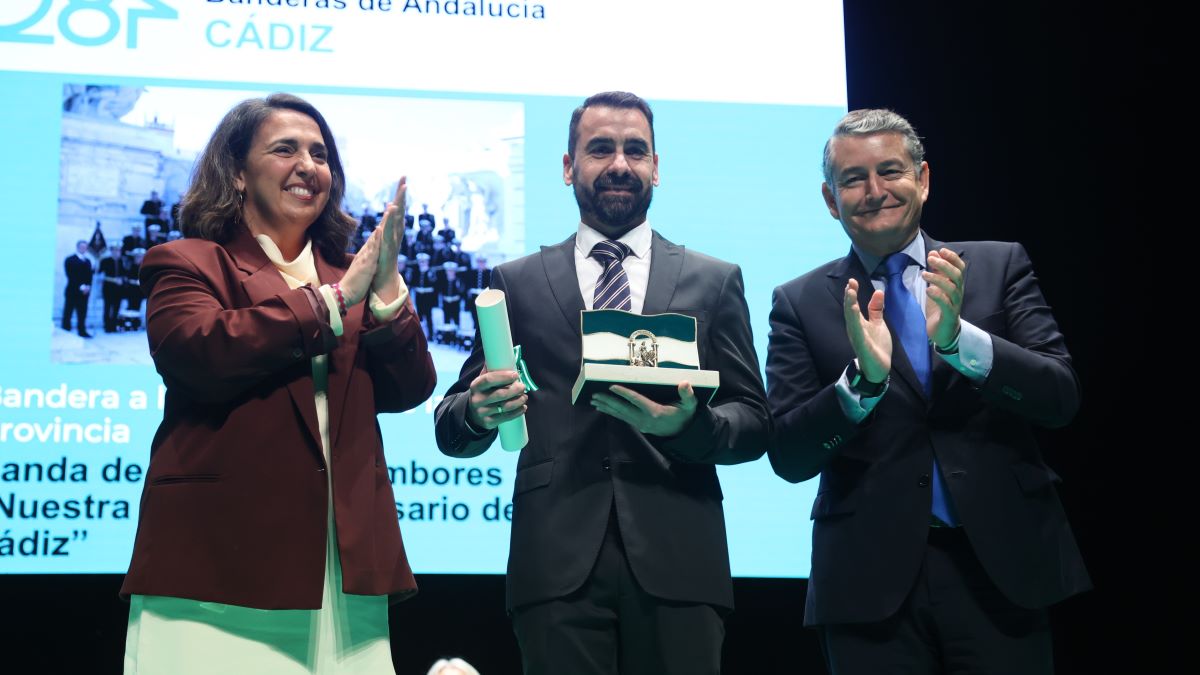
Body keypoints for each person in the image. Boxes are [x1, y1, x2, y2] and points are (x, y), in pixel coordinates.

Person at [434, 91, 770, 675]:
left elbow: (755, 421)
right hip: (555, 564)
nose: (619, 164)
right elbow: (451, 423)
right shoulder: (516, 283)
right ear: (569, 167)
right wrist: (475, 411)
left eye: (635, 150)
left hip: (680, 561)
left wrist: (693, 425)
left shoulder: (713, 281)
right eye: (600, 149)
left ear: (656, 167)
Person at [119, 93, 436, 674]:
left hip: (342, 576)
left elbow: (409, 387)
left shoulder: (356, 275)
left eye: (320, 154)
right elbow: (199, 354)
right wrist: (334, 301)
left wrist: (386, 290)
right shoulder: (187, 261)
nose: (308, 165)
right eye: (284, 149)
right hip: (215, 574)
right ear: (236, 173)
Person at [765, 109, 1090, 674]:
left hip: (1000, 568)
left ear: (924, 178)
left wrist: (959, 341)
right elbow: (789, 457)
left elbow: (1059, 398)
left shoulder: (995, 265)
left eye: (890, 171)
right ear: (828, 198)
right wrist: (859, 384)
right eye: (852, 179)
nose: (874, 191)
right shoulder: (800, 302)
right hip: (868, 585)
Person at [62, 239, 94, 338]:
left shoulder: (88, 261)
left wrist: (88, 287)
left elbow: (89, 276)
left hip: (84, 293)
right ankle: (66, 331)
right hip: (72, 291)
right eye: (81, 247)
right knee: (68, 312)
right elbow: (70, 275)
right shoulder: (70, 260)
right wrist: (81, 286)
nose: (83, 249)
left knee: (82, 313)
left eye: (85, 247)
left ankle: (82, 331)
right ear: (77, 247)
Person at [99, 244, 126, 333]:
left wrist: (122, 280)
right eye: (115, 250)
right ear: (111, 251)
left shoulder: (121, 261)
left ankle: (113, 326)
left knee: (116, 308)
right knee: (107, 308)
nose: (117, 252)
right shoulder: (105, 261)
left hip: (119, 290)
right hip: (108, 288)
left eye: (118, 251)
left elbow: (123, 273)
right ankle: (107, 326)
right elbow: (101, 274)